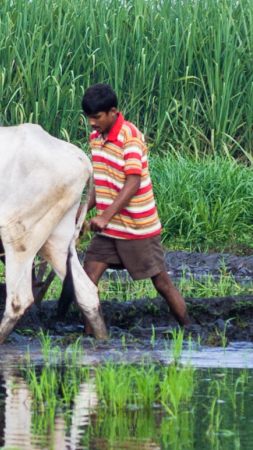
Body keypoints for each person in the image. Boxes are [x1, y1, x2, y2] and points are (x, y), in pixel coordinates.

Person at [79, 82, 191, 327]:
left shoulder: (130, 136)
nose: (91, 123)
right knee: (88, 279)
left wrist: (105, 216)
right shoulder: (95, 139)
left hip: (137, 227)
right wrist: (80, 215)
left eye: (96, 117)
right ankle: (94, 336)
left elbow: (133, 182)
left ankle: (190, 330)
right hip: (109, 231)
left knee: (161, 282)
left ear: (113, 111)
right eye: (88, 117)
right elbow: (100, 181)